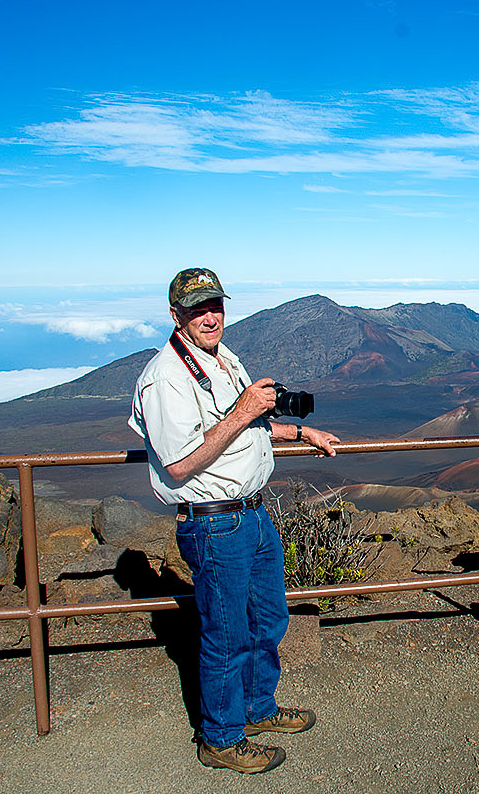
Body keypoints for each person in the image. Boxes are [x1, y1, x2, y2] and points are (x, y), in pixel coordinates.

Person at [128, 267, 339, 774]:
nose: (210, 316)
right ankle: (220, 739)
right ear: (175, 315)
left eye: (215, 305)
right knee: (226, 633)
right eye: (198, 308)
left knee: (268, 618)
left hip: (253, 513)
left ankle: (256, 709)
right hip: (215, 523)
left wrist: (295, 432)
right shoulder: (166, 378)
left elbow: (247, 426)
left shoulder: (223, 359)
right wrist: (245, 411)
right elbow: (180, 463)